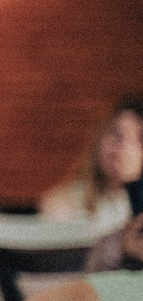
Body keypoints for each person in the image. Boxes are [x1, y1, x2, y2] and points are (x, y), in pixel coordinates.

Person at [41, 97, 143, 227]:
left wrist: (133, 186)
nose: (123, 147)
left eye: (139, 139)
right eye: (116, 134)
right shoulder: (69, 201)